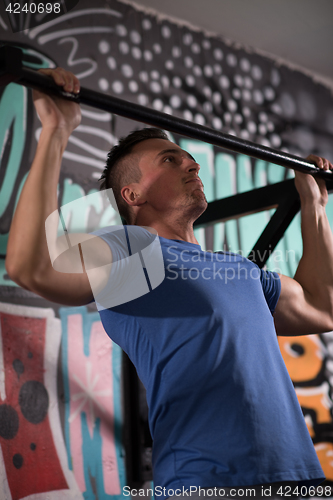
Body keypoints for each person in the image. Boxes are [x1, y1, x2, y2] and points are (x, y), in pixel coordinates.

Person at [6, 67, 333, 498]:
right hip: (206, 482)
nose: (191, 164)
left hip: (301, 479)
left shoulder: (240, 269)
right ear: (132, 195)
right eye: (169, 160)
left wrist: (313, 204)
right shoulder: (131, 251)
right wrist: (57, 130)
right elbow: (33, 267)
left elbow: (323, 306)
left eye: (189, 159)